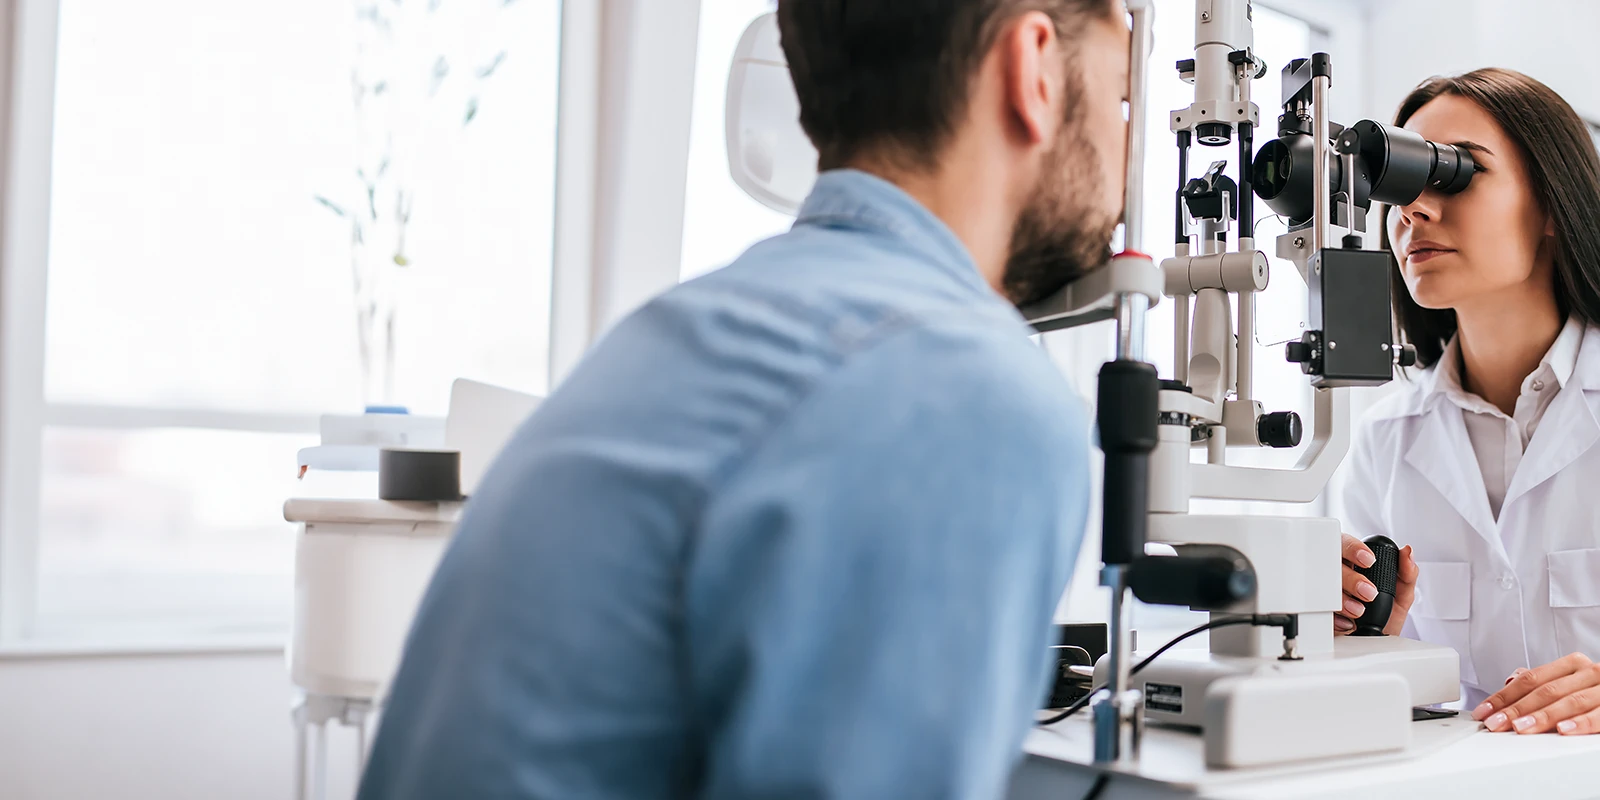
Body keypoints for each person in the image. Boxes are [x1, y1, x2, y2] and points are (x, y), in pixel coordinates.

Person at [356, 1, 1131, 797]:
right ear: (1033, 70)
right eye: (1121, 95)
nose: (1126, 154)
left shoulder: (674, 339)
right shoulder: (967, 390)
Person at [1337, 68, 1600, 736]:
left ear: (1550, 203)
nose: (1413, 210)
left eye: (1453, 172)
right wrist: (1356, 636)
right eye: (1401, 182)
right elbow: (1403, 697)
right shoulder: (1383, 441)